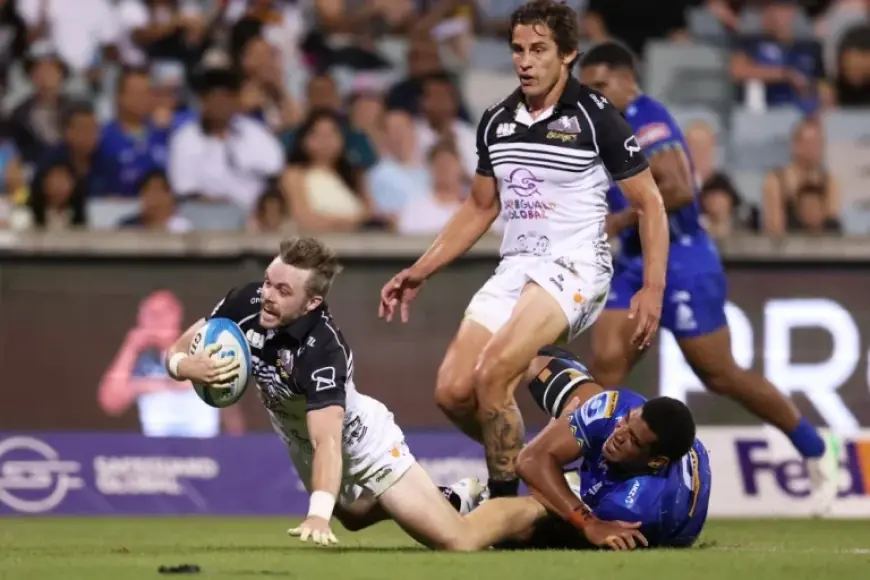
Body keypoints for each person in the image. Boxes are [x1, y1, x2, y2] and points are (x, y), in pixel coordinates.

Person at [379, 0, 669, 501]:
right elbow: (479, 206)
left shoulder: (596, 116)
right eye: (518, 49)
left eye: (539, 50)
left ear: (568, 55)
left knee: (494, 374)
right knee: (453, 391)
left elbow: (651, 203)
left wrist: (653, 287)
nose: (526, 61)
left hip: (576, 266)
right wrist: (421, 268)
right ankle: (541, 467)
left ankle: (502, 510)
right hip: (517, 268)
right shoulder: (496, 121)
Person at [164, 235, 574, 550]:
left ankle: (551, 500)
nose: (268, 296)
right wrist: (186, 366)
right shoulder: (246, 302)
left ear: (312, 303)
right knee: (354, 516)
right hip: (300, 438)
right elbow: (179, 348)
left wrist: (317, 515)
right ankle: (452, 496)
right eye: (269, 283)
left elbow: (328, 443)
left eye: (283, 291)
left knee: (459, 541)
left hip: (360, 443)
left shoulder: (322, 351)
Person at [578, 40, 837, 513]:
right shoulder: (600, 128)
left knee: (720, 374)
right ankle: (586, 473)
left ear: (627, 81)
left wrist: (616, 222)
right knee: (607, 362)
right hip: (635, 261)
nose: (592, 95)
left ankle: (817, 448)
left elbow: (678, 189)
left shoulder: (647, 119)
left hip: (682, 259)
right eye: (586, 87)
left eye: (600, 85)